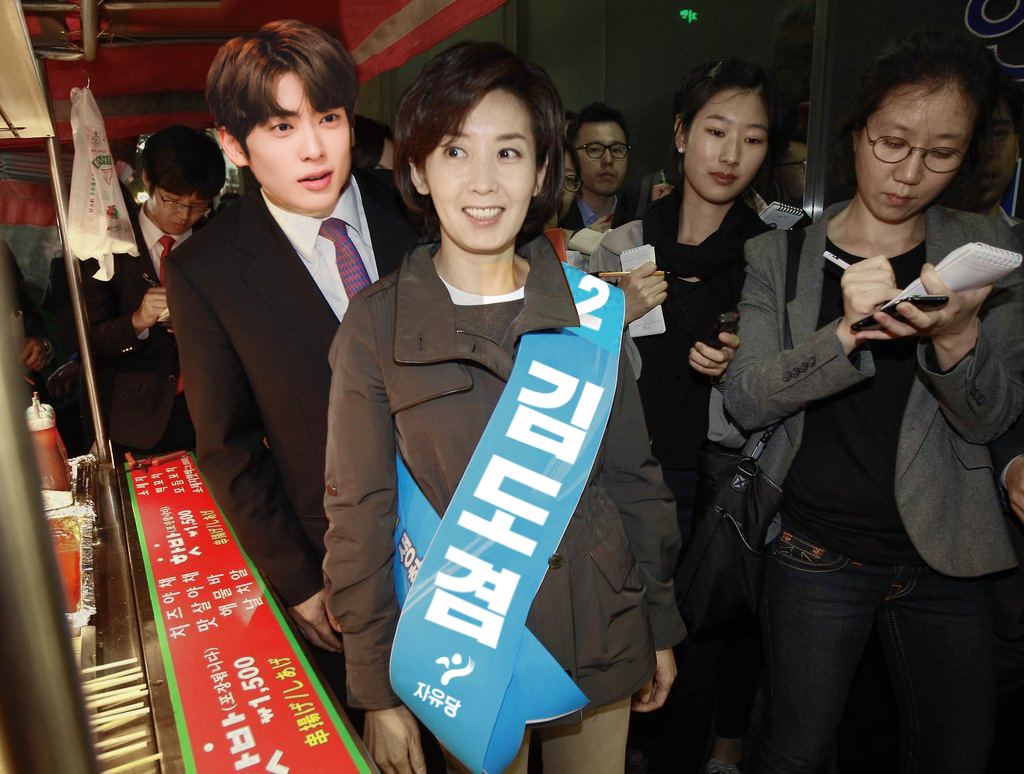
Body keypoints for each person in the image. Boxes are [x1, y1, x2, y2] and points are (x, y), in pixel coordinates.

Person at [322, 41, 684, 774]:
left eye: (510, 152)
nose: (483, 182)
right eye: (455, 151)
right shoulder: (376, 324)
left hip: (600, 629)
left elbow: (634, 478)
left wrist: (660, 622)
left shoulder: (591, 310)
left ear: (543, 170)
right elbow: (357, 513)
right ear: (417, 170)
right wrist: (376, 693)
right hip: (465, 653)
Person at [722, 30, 1024, 774]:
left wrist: (956, 335)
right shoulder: (781, 254)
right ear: (856, 132)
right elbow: (746, 400)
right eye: (892, 143)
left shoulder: (985, 254)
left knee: (957, 753)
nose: (910, 173)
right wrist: (844, 335)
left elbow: (992, 417)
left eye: (942, 154)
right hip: (815, 551)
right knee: (795, 750)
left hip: (948, 554)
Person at [164, 19, 418, 710]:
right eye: (281, 127)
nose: (314, 148)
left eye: (328, 117)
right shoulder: (207, 270)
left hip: (471, 540)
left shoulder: (416, 209)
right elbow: (229, 448)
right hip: (338, 565)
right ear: (232, 145)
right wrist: (301, 584)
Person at [590, 59, 780, 774]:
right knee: (619, 641)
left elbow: (778, 394)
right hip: (629, 478)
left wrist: (742, 374)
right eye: (715, 131)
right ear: (680, 133)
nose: (731, 154)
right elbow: (580, 375)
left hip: (718, 485)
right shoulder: (622, 245)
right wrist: (610, 320)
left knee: (701, 653)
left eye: (752, 139)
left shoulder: (770, 257)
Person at [81, 124, 224, 458]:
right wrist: (137, 322)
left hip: (212, 414)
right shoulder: (107, 243)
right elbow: (87, 342)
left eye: (198, 205)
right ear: (147, 180)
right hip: (135, 421)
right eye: (172, 201)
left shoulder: (219, 241)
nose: (184, 216)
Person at [562, 102, 636, 231]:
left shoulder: (640, 219)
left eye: (616, 150)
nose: (608, 160)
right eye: (595, 149)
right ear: (572, 155)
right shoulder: (554, 220)